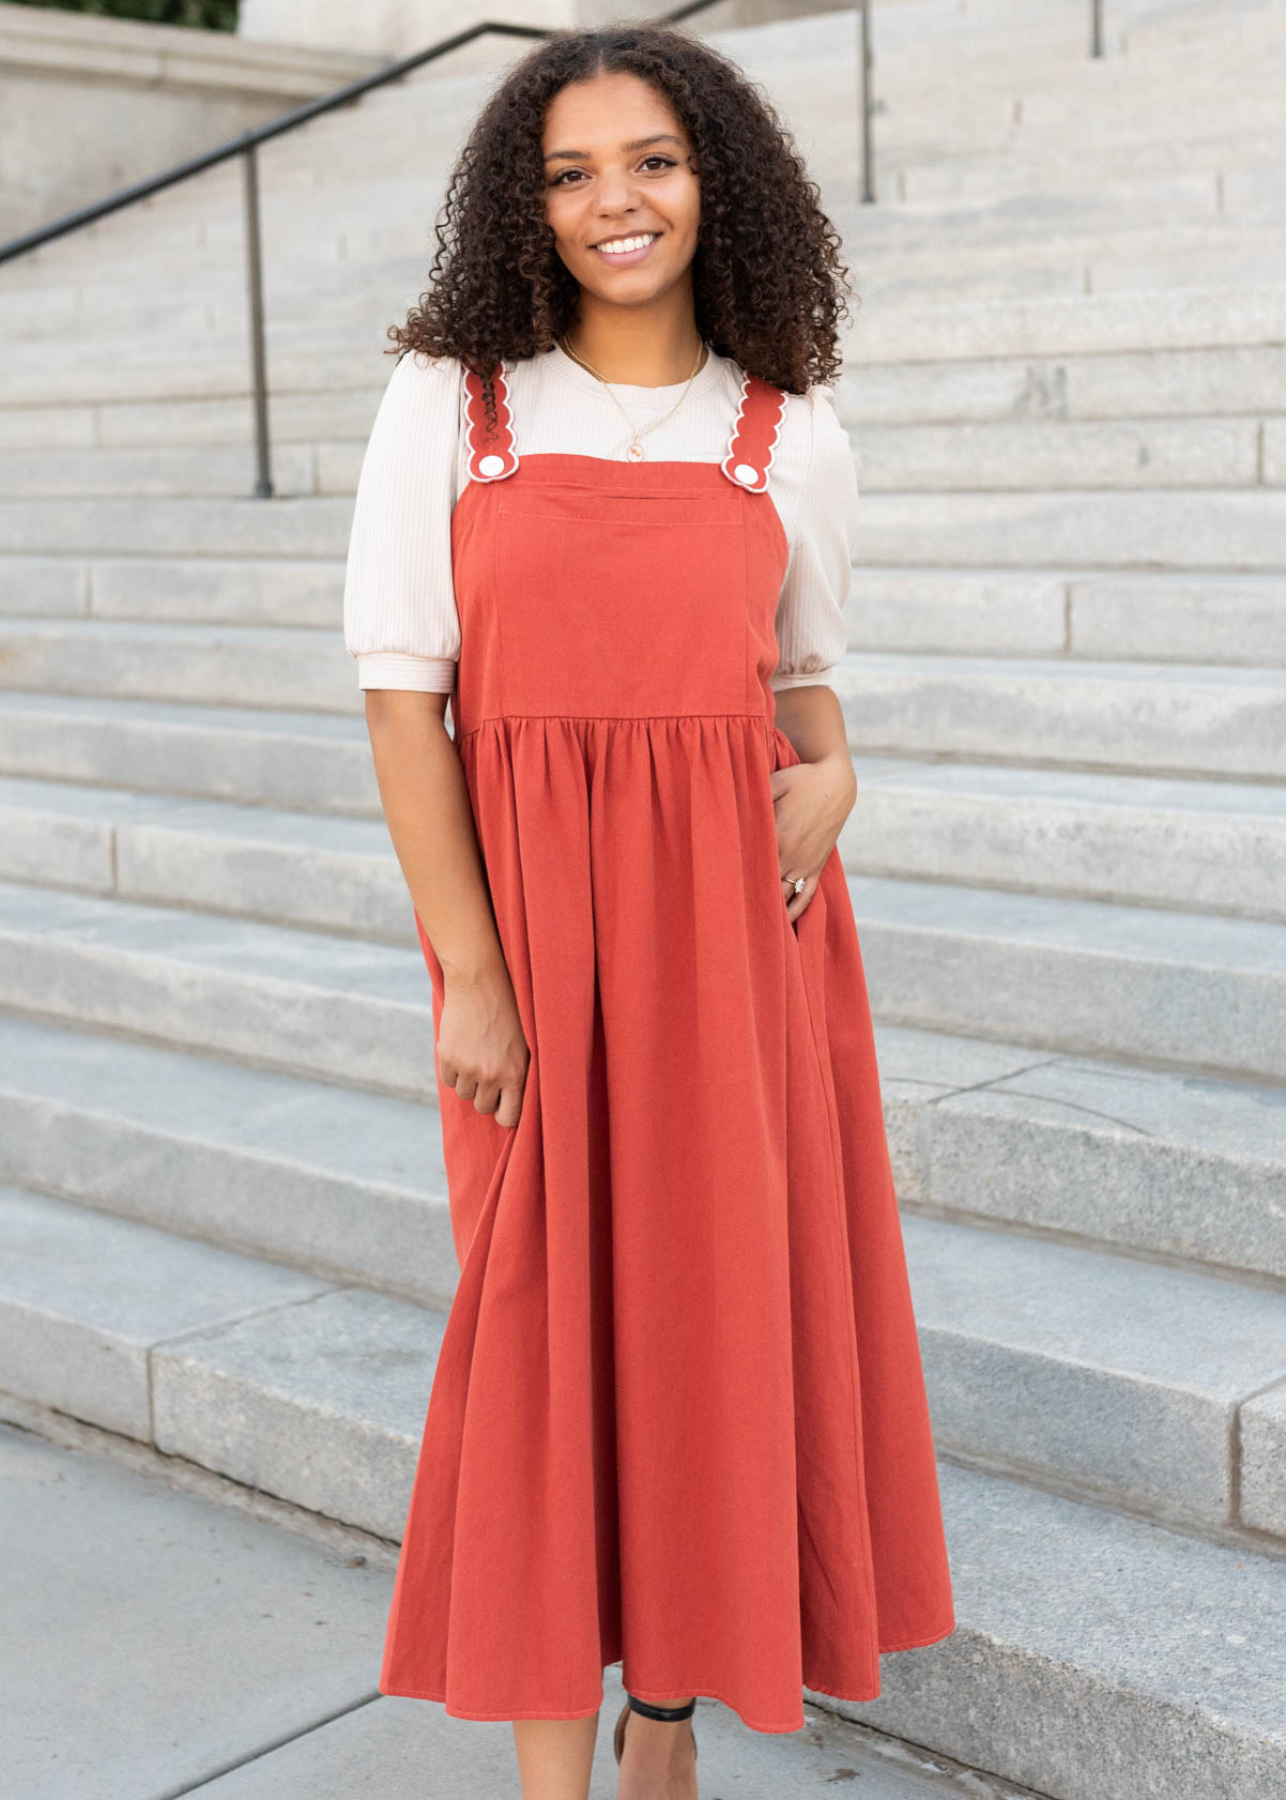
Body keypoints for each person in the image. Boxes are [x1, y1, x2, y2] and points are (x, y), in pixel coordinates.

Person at [342, 22, 955, 1800]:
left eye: (654, 160)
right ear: (521, 206)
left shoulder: (790, 428)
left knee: (706, 1332)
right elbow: (401, 695)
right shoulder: (452, 400)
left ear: (719, 182)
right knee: (540, 1348)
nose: (615, 200)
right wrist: (470, 971)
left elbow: (806, 686)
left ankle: (665, 1718)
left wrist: (835, 779)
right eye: (569, 170)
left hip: (737, 959)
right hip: (529, 947)